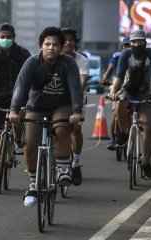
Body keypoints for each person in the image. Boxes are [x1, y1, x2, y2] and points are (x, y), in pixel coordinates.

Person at [9, 26, 83, 207]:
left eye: (55, 45)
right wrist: (14, 110)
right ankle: (34, 183)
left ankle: (64, 168)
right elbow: (21, 88)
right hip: (37, 107)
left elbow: (75, 88)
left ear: (61, 47)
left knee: (62, 129)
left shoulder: (68, 63)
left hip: (61, 105)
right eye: (47, 44)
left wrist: (76, 112)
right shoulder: (32, 63)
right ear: (40, 46)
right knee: (29, 143)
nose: (51, 48)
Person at [108, 29, 151, 180]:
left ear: (145, 43)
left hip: (148, 92)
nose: (136, 44)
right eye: (133, 42)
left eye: (140, 41)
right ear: (129, 43)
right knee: (120, 103)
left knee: (149, 127)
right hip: (129, 89)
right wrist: (113, 91)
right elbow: (119, 76)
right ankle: (125, 132)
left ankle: (146, 163)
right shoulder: (126, 54)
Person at [0, 23, 31, 181]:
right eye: (2, 37)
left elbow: (30, 75)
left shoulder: (23, 54)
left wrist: (29, 96)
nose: (5, 39)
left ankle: (18, 140)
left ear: (13, 38)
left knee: (18, 121)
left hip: (19, 96)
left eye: (8, 37)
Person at [61, 28, 89, 186]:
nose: (68, 43)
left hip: (76, 99)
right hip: (55, 99)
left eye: (71, 40)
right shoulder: (53, 58)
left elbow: (81, 84)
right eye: (64, 40)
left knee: (75, 129)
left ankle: (75, 164)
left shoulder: (82, 60)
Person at [100, 36, 131, 150]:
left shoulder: (139, 56)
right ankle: (113, 139)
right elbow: (110, 68)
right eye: (126, 45)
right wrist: (104, 78)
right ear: (123, 46)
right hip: (119, 85)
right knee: (116, 113)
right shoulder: (117, 55)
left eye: (130, 45)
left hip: (134, 86)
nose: (128, 47)